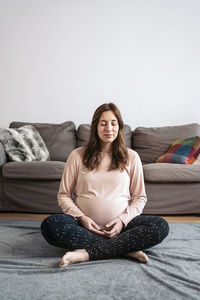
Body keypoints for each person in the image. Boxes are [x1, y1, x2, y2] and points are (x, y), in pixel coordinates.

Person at [41, 103, 169, 268]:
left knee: (160, 226)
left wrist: (122, 221)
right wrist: (82, 218)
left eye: (113, 123)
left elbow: (139, 198)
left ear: (119, 127)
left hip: (122, 228)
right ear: (95, 127)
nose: (109, 128)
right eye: (103, 123)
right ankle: (123, 248)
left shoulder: (131, 157)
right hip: (83, 226)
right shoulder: (77, 155)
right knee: (50, 225)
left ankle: (87, 253)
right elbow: (64, 195)